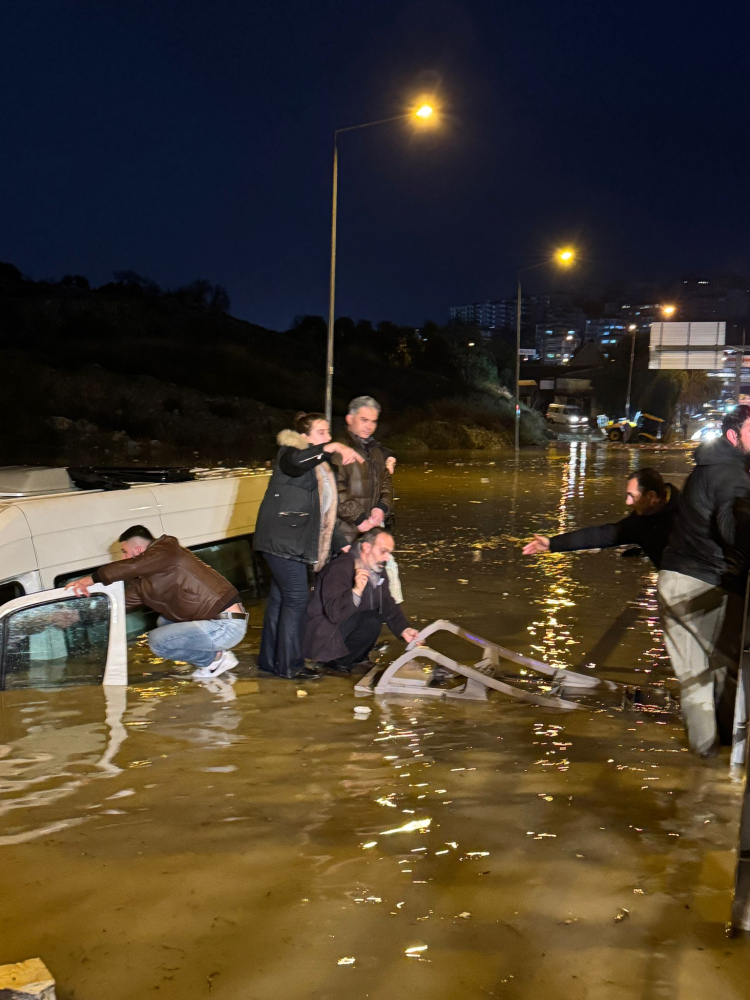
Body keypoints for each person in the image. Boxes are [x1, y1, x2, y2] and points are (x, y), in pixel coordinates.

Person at [657, 405, 750, 756]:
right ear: (733, 436)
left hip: (677, 582)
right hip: (704, 585)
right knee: (718, 674)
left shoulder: (707, 467)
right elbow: (732, 529)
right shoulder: (732, 474)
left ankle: (710, 763)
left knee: (700, 676)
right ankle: (713, 769)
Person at [253, 412, 363, 681]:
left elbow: (324, 514)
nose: (327, 437)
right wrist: (332, 447)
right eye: (321, 432)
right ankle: (291, 665)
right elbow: (297, 462)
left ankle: (271, 661)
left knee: (281, 600)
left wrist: (343, 545)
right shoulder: (290, 454)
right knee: (297, 599)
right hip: (283, 541)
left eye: (328, 432)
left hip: (290, 542)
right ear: (305, 437)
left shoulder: (320, 467)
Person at [66, 525, 247, 679]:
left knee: (158, 641)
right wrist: (79, 615)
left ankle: (214, 660)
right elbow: (117, 606)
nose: (122, 558)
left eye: (124, 552)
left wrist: (92, 579)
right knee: (163, 623)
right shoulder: (143, 582)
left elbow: (132, 566)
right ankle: (215, 658)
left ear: (137, 551)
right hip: (213, 622)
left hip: (227, 624)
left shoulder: (168, 550)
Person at [304, 528, 419, 674]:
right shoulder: (340, 567)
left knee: (373, 617)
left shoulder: (375, 568)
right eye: (383, 551)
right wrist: (356, 591)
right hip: (323, 635)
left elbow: (386, 601)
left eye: (389, 552)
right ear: (366, 547)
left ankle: (350, 660)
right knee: (371, 619)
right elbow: (334, 613)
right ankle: (333, 662)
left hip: (343, 626)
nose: (387, 557)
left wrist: (404, 629)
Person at [522, 467, 680, 569]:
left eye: (632, 496)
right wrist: (552, 543)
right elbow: (602, 535)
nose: (627, 502)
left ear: (651, 496)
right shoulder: (640, 522)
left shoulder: (689, 511)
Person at [334, 396, 394, 543]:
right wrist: (359, 520)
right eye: (364, 420)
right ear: (349, 419)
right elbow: (335, 489)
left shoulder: (375, 450)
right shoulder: (339, 449)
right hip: (342, 534)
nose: (369, 426)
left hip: (369, 533)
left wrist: (382, 507)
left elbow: (386, 481)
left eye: (373, 421)